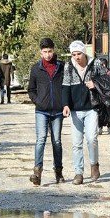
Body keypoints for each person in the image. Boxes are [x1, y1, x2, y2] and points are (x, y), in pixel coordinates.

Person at [61, 40, 108, 185]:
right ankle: (78, 173)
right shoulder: (68, 66)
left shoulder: (96, 64)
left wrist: (95, 84)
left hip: (92, 108)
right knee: (76, 143)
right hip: (75, 110)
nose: (76, 57)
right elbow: (65, 86)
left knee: (91, 138)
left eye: (79, 54)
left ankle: (94, 166)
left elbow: (106, 81)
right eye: (74, 54)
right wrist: (66, 105)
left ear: (84, 52)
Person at [27, 38, 65, 186]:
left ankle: (59, 172)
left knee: (56, 141)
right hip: (41, 111)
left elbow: (65, 86)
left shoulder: (61, 66)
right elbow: (31, 89)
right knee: (41, 139)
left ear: (53, 50)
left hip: (57, 111)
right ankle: (37, 172)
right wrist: (38, 101)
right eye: (45, 52)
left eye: (50, 51)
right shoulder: (36, 68)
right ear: (40, 52)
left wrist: (64, 103)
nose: (48, 55)